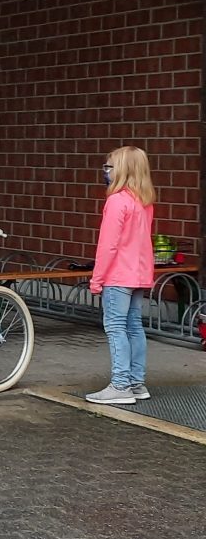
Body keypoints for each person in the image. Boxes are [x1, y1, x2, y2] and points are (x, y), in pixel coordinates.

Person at [85, 146, 156, 405]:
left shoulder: (116, 201)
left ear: (122, 170)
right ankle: (137, 383)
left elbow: (108, 245)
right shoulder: (144, 201)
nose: (105, 171)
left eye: (109, 166)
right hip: (139, 274)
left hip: (117, 275)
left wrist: (97, 278)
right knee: (134, 327)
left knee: (115, 328)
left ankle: (120, 385)